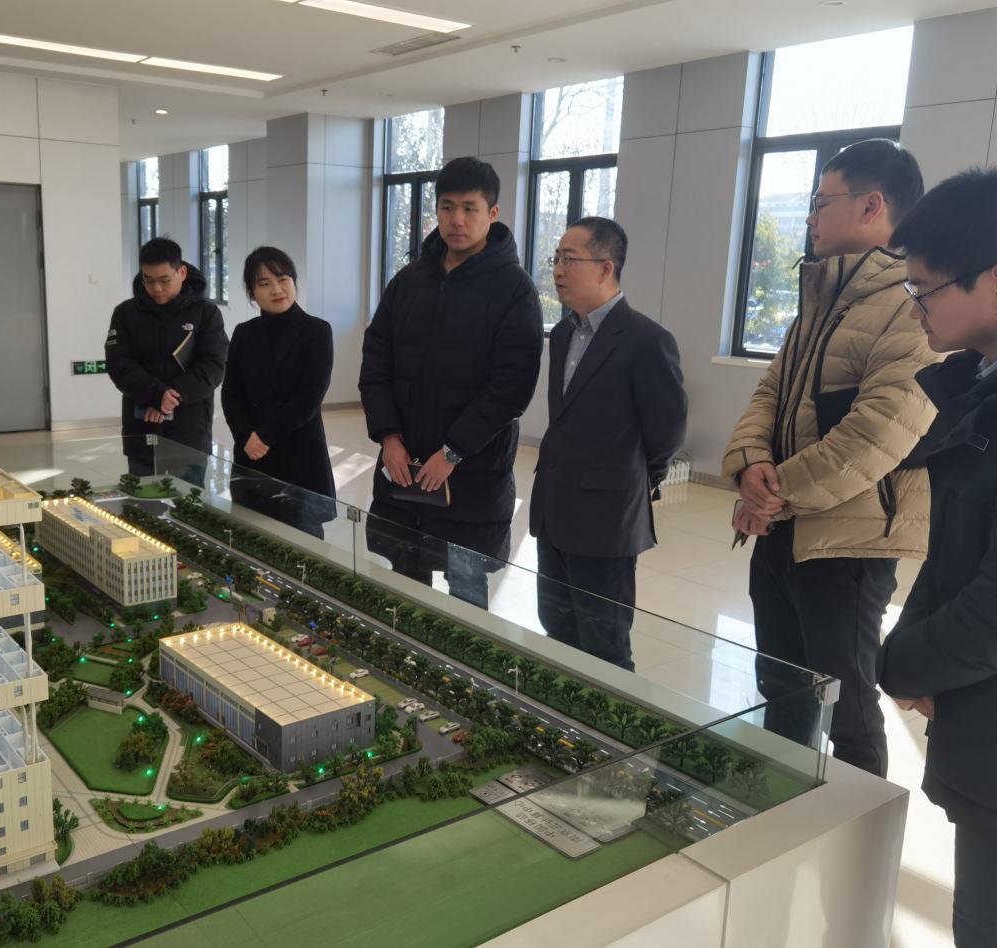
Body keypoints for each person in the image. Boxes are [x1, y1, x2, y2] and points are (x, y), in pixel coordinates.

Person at [722, 139, 936, 778]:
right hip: (784, 527)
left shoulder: (910, 304)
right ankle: (783, 803)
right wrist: (750, 465)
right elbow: (770, 393)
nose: (811, 218)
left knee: (848, 708)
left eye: (821, 202)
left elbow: (876, 436)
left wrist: (771, 493)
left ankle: (858, 825)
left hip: (849, 543)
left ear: (872, 205)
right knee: (782, 686)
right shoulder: (824, 294)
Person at [876, 168, 997, 948]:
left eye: (925, 289)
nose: (914, 306)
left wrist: (901, 664)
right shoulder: (976, 387)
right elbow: (958, 552)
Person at [359, 156, 543, 609]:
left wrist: (453, 451)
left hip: (472, 474)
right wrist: (388, 436)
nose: (457, 220)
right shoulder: (408, 281)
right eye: (447, 207)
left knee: (466, 597)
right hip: (404, 465)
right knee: (405, 593)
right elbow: (376, 363)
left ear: (492, 213)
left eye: (469, 208)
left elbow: (511, 386)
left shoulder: (514, 288)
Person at [530, 218, 687, 670]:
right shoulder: (563, 333)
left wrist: (638, 480)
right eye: (556, 258)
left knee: (604, 643)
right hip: (554, 509)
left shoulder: (647, 340)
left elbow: (667, 430)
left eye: (569, 259)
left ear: (605, 267)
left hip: (606, 519)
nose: (557, 270)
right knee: (557, 628)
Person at [221, 246, 336, 538]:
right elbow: (231, 394)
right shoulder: (244, 333)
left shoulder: (317, 331)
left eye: (283, 279)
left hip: (300, 455)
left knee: (303, 549)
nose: (276, 289)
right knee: (250, 540)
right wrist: (245, 436)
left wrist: (264, 436)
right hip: (252, 453)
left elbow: (309, 398)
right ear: (252, 293)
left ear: (294, 282)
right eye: (264, 283)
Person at [105, 238, 228, 484]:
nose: (157, 289)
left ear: (181, 273)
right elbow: (119, 364)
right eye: (148, 280)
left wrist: (170, 398)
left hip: (189, 430)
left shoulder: (206, 313)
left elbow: (213, 367)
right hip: (142, 429)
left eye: (164, 280)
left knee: (189, 501)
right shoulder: (125, 313)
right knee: (143, 499)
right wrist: (156, 394)